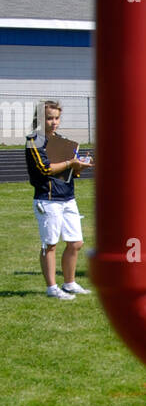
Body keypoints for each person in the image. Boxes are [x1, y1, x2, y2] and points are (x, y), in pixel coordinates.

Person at [25, 99, 93, 300]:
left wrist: (79, 165)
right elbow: (45, 169)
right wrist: (70, 162)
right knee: (50, 244)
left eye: (56, 118)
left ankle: (70, 283)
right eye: (49, 118)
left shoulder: (63, 141)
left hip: (67, 197)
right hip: (47, 199)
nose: (54, 122)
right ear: (40, 119)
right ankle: (52, 288)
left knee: (76, 242)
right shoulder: (34, 140)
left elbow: (71, 171)